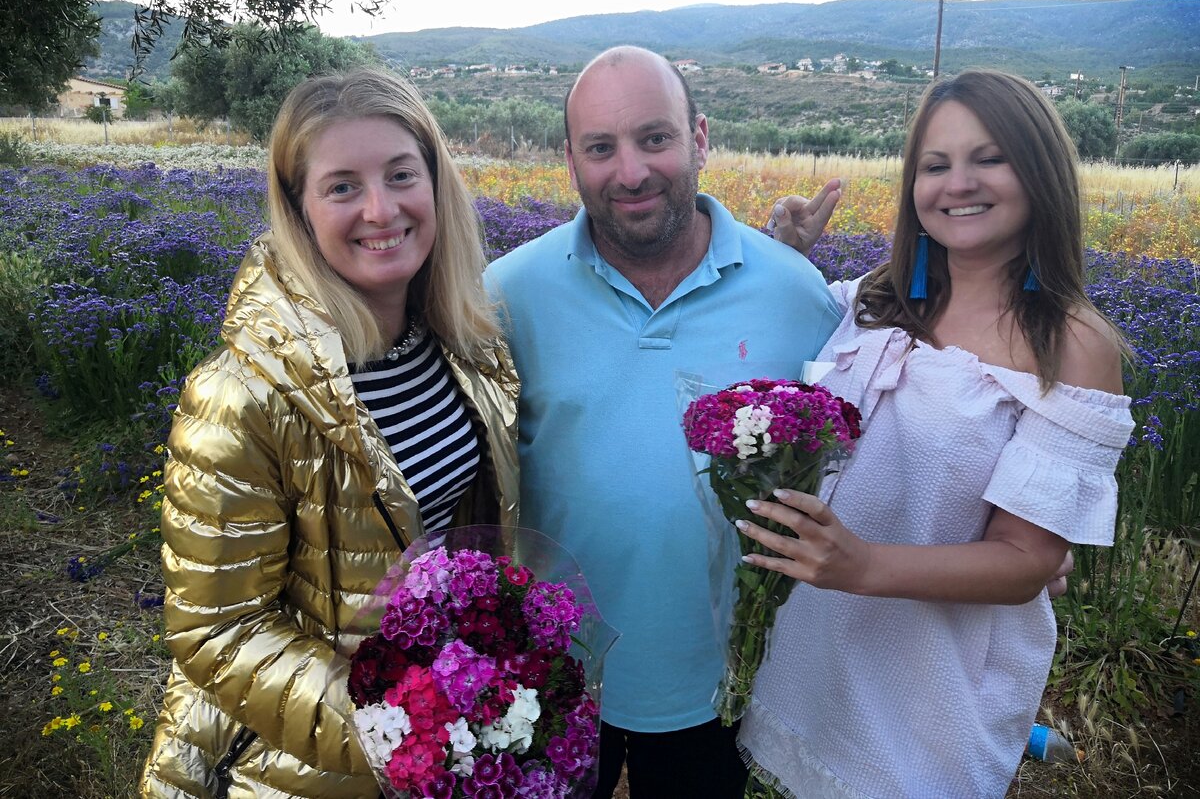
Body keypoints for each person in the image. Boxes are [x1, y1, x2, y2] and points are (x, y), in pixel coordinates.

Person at [737, 70, 1135, 797]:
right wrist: (785, 260)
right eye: (935, 164)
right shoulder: (876, 298)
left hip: (929, 689)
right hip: (816, 652)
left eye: (989, 158)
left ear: (1040, 171)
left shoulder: (1072, 346)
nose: (958, 184)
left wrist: (861, 565)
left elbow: (1026, 563)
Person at [140, 69, 520, 798]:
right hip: (298, 768)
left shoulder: (466, 346)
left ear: (435, 184)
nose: (381, 209)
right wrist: (398, 724)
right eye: (343, 186)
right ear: (299, 210)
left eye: (401, 175)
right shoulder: (242, 394)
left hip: (442, 750)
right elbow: (216, 633)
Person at [484, 46, 844, 798]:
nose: (631, 171)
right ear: (570, 160)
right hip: (548, 672)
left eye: (655, 138)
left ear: (699, 138)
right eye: (600, 148)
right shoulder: (508, 296)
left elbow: (865, 444)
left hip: (719, 682)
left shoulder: (795, 293)